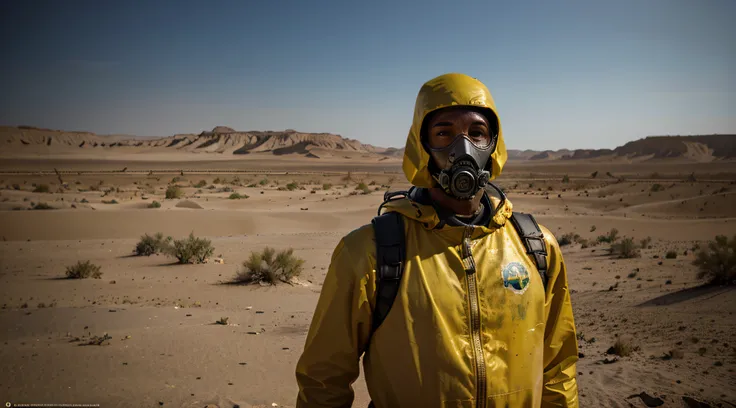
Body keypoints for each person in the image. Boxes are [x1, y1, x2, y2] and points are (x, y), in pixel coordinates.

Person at [295, 72, 579, 408]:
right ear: (422, 144)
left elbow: (558, 367)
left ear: (493, 145)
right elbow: (324, 380)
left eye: (477, 133)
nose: (463, 148)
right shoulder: (369, 253)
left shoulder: (536, 246)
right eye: (444, 133)